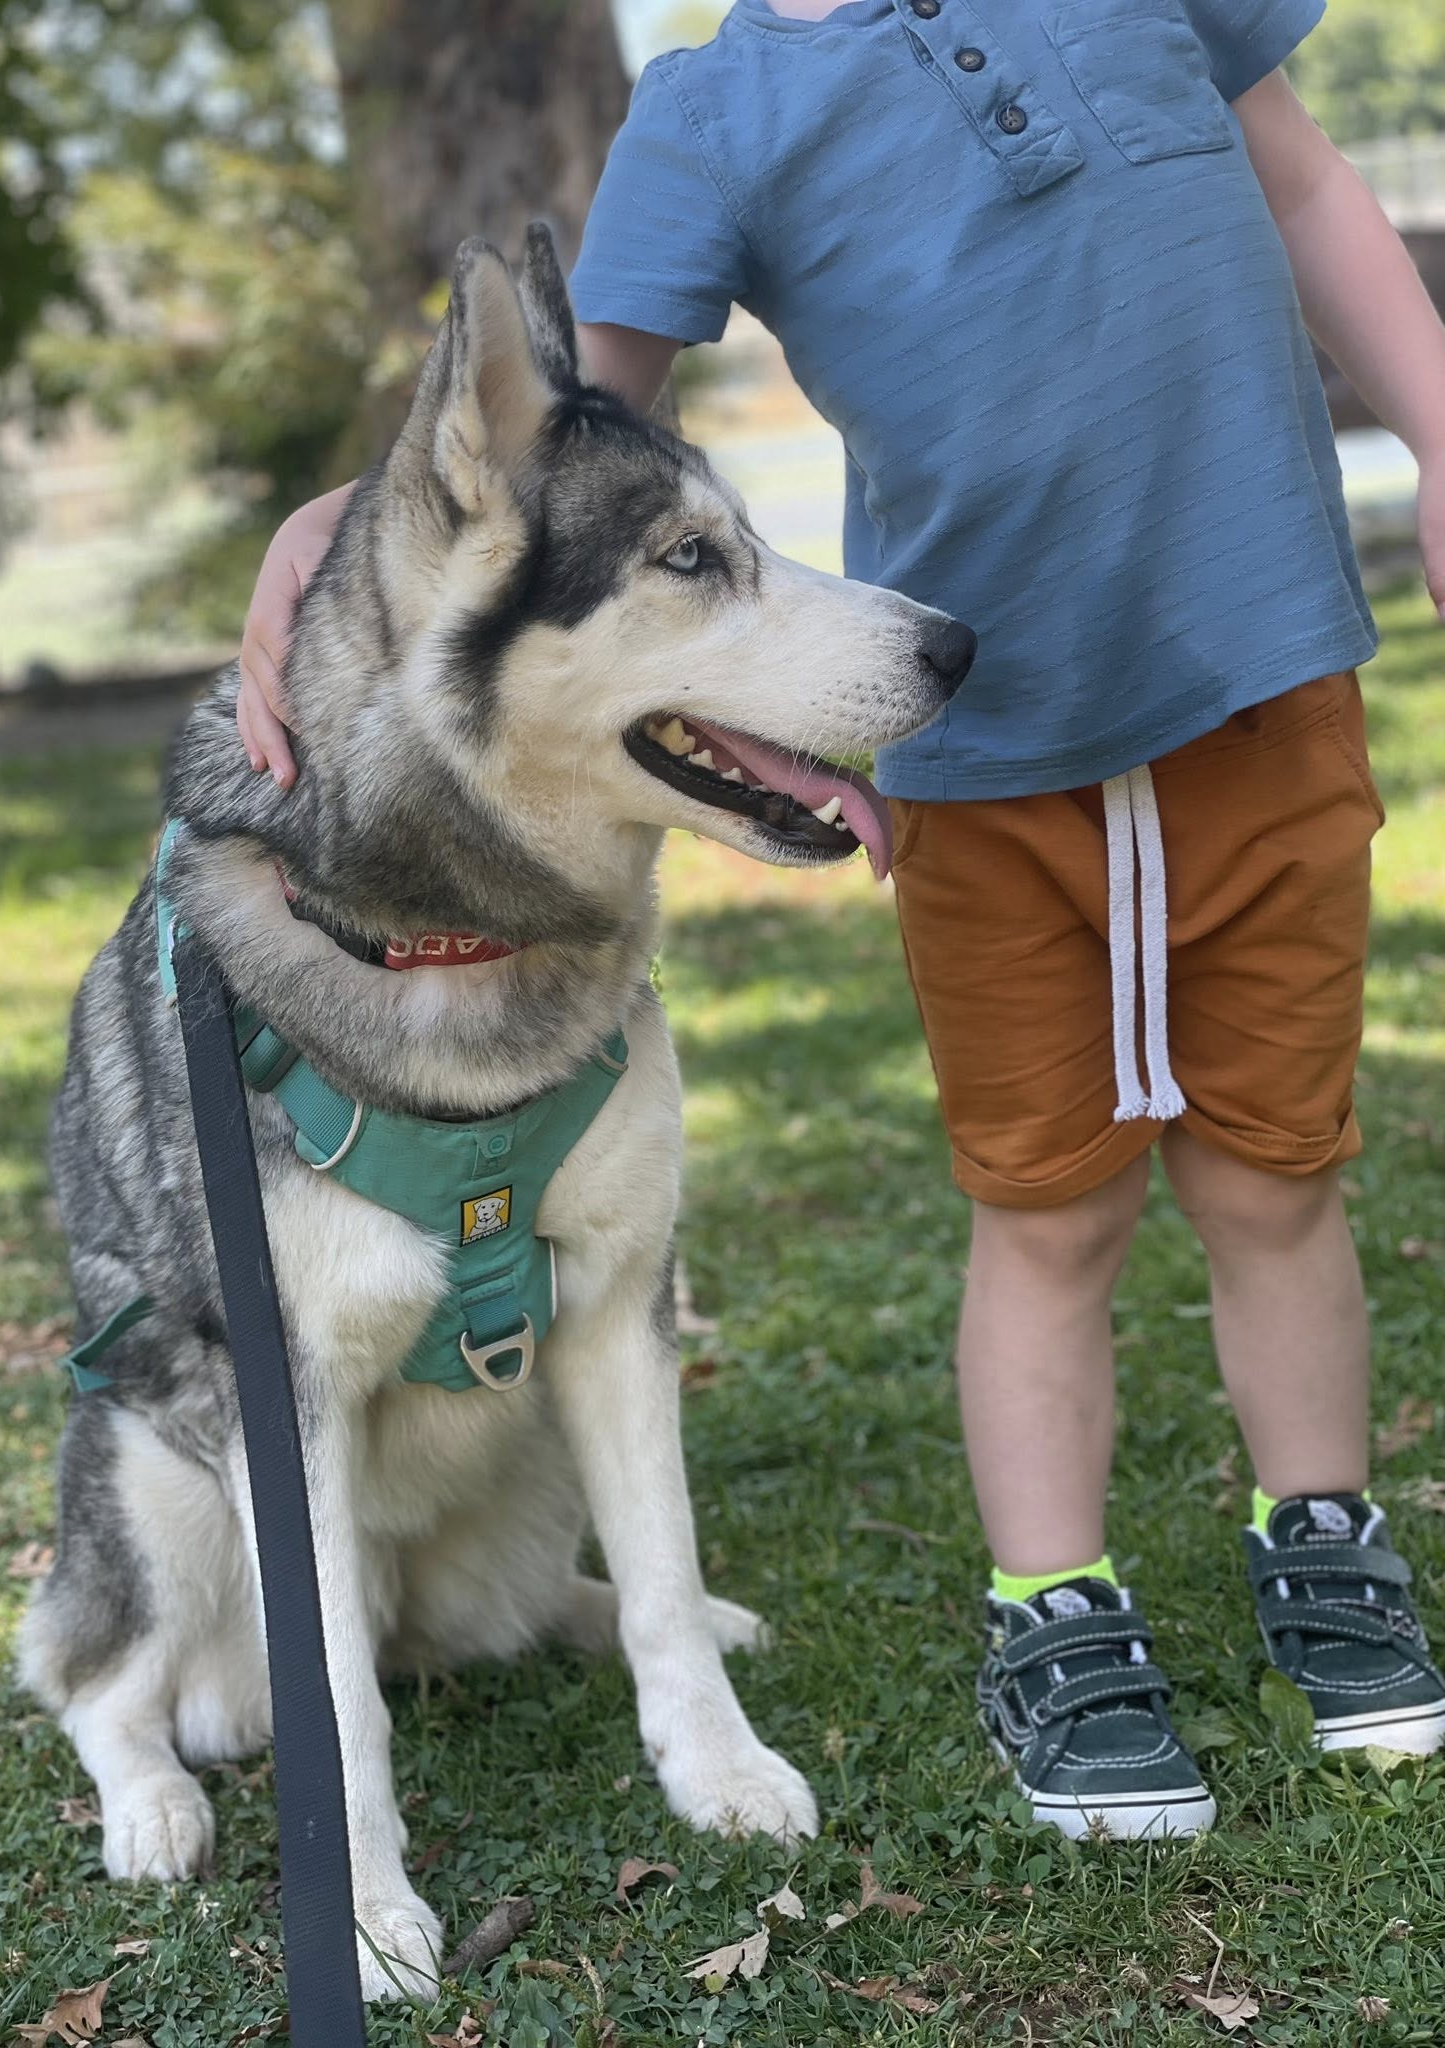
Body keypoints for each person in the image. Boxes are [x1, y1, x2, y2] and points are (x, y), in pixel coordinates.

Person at [236, 0, 1445, 1837]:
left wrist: (1439, 422)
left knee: (1281, 1173)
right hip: (991, 760)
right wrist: (338, 522)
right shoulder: (717, 112)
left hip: (1275, 694)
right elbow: (556, 437)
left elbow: (1300, 177)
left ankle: (1327, 1538)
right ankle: (1056, 1611)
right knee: (1051, 1206)